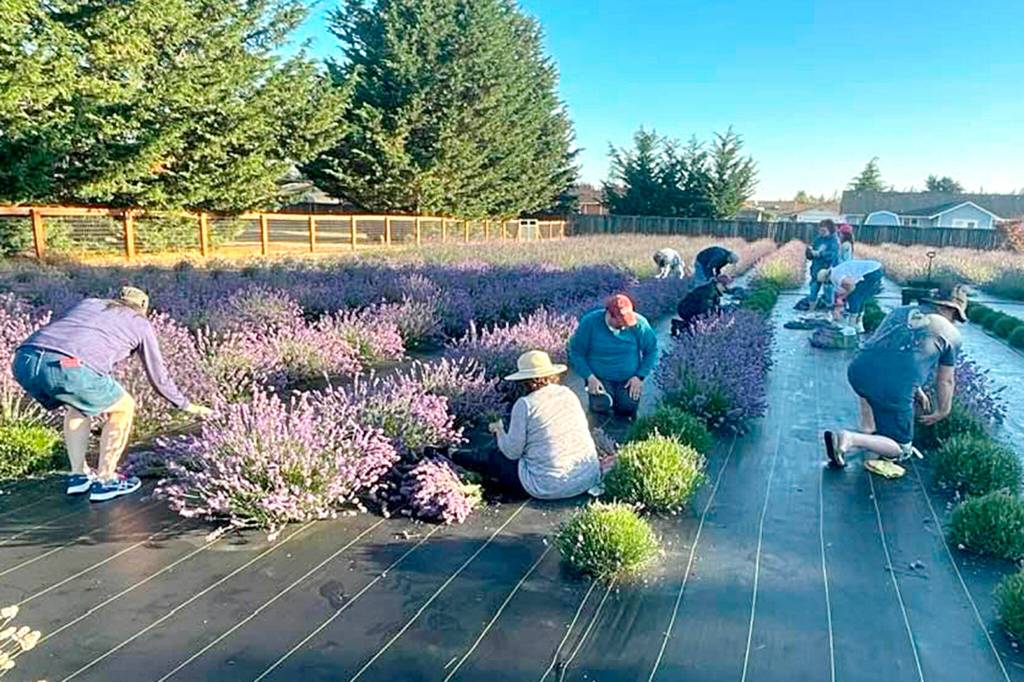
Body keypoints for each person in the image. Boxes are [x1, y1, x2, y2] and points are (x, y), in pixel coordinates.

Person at [11, 287, 212, 502]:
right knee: (123, 407)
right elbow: (158, 377)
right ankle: (106, 480)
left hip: (25, 359)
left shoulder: (90, 303)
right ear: (143, 307)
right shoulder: (140, 323)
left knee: (78, 404)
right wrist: (187, 406)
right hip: (70, 366)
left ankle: (78, 475)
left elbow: (69, 334)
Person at [824, 283, 968, 469]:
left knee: (872, 388)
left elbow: (894, 351)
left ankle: (868, 429)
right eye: (955, 316)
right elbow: (945, 380)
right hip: (891, 387)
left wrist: (916, 389)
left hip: (858, 371)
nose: (954, 321)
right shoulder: (952, 334)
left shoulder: (899, 311)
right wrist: (943, 411)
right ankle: (850, 439)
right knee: (901, 449)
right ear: (947, 308)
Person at [478, 351, 601, 500]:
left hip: (548, 485)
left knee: (496, 459)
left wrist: (499, 430)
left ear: (525, 380)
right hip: (587, 477)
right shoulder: (568, 393)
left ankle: (455, 454)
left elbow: (512, 452)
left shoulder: (526, 404)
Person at [568, 294, 659, 418]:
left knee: (627, 410)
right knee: (600, 411)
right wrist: (589, 377)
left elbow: (652, 351)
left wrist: (639, 376)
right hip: (599, 378)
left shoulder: (639, 324)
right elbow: (576, 352)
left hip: (629, 379)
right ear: (609, 315)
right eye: (621, 323)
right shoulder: (590, 323)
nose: (625, 326)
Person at [819, 258, 884, 332]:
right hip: (877, 269)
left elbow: (851, 287)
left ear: (826, 278)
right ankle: (859, 324)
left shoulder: (835, 276)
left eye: (825, 282)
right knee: (861, 297)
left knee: (854, 297)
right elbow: (842, 290)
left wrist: (843, 296)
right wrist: (839, 302)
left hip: (871, 272)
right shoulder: (836, 271)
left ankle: (852, 325)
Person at [798, 219, 840, 310]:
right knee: (813, 290)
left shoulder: (834, 241)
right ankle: (811, 309)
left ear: (830, 230)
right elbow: (811, 252)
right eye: (820, 230)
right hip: (816, 269)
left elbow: (833, 255)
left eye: (824, 231)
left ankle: (829, 310)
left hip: (828, 271)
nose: (821, 232)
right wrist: (809, 253)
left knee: (828, 291)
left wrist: (820, 254)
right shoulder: (818, 239)